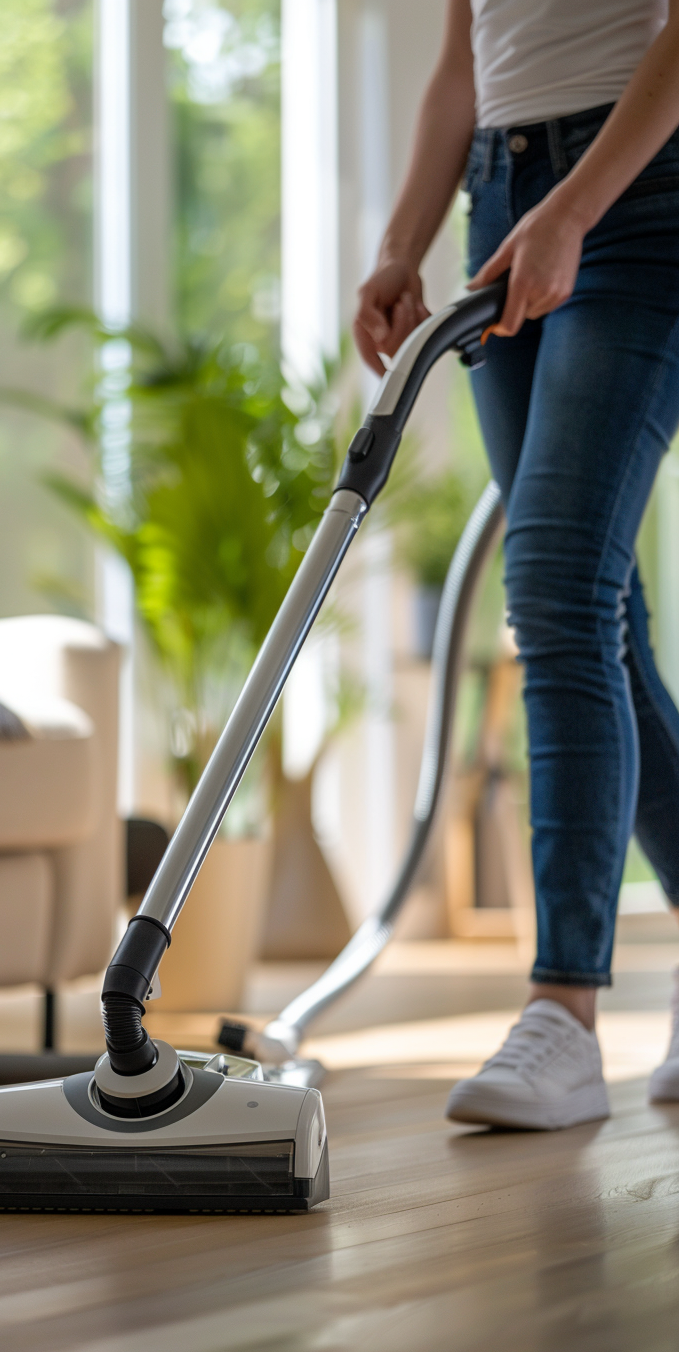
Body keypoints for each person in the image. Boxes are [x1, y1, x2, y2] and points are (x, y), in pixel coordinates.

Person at [354, 0, 679, 1129]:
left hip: (641, 188)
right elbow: (463, 57)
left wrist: (574, 204)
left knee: (552, 585)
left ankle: (566, 1010)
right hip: (499, 191)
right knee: (593, 615)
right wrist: (402, 243)